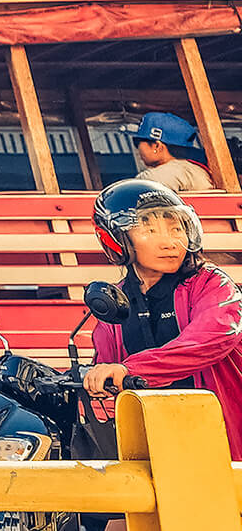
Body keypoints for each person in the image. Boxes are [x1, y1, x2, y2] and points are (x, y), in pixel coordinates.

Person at [84, 178, 242, 458]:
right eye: (149, 229)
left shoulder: (213, 285)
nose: (170, 242)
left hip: (222, 447)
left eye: (176, 228)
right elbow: (106, 378)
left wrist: (130, 370)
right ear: (115, 239)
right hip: (155, 447)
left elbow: (205, 342)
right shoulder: (114, 303)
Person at [124, 112, 215, 193]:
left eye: (137, 142)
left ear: (157, 146)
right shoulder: (193, 170)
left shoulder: (155, 177)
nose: (137, 148)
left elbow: (131, 196)